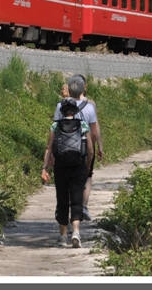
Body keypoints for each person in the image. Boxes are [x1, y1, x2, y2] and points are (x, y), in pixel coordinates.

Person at [41, 98, 93, 248]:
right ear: (75, 111)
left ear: (62, 111)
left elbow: (49, 147)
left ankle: (63, 236)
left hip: (61, 167)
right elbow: (90, 150)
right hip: (78, 166)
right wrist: (87, 166)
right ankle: (76, 232)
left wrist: (45, 167)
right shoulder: (83, 124)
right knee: (76, 199)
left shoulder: (55, 125)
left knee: (62, 199)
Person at [54, 75, 103, 220]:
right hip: (85, 148)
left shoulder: (61, 105)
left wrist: (50, 151)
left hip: (64, 148)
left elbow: (55, 127)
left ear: (68, 89)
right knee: (87, 176)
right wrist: (99, 146)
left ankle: (67, 207)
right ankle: (83, 207)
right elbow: (95, 130)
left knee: (67, 178)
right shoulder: (90, 105)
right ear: (84, 87)